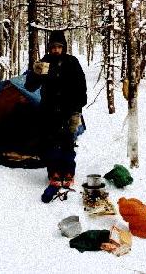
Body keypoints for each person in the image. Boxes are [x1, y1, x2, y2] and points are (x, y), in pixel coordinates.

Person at [24, 30, 87, 202]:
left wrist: (77, 111)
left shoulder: (72, 62)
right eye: (53, 47)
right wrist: (35, 73)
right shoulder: (45, 62)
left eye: (59, 47)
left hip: (68, 110)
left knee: (68, 142)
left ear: (64, 47)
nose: (56, 50)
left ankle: (68, 173)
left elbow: (81, 87)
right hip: (49, 111)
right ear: (49, 48)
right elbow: (30, 87)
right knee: (51, 143)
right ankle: (54, 173)